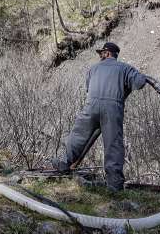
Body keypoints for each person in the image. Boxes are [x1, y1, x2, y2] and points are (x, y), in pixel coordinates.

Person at [53, 42, 147, 192]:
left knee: (78, 135)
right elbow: (140, 83)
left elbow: (88, 88)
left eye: (102, 53)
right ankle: (114, 185)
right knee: (113, 145)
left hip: (91, 105)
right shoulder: (125, 68)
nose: (100, 56)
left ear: (108, 53)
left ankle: (64, 163)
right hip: (112, 108)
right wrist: (139, 77)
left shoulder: (93, 69)